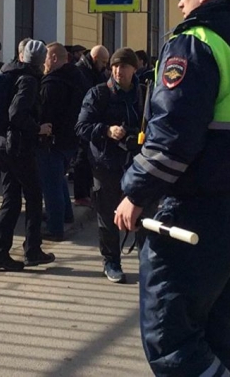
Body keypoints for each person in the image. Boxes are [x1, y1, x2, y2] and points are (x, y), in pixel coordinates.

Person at [114, 0, 230, 377]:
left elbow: (173, 135)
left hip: (192, 211)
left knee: (171, 339)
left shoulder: (196, 41)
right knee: (216, 332)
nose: (181, 3)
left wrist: (135, 192)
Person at [0, 38, 56, 271]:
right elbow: (17, 113)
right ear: (40, 61)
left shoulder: (10, 72)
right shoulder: (28, 80)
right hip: (18, 147)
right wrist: (39, 128)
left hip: (3, 144)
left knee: (11, 199)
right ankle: (32, 249)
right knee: (34, 197)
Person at [76, 47, 143, 283]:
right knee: (107, 216)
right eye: (114, 66)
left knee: (144, 213)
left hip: (138, 164)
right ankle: (111, 262)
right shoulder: (98, 94)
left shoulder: (143, 95)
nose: (117, 71)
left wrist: (136, 136)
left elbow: (156, 125)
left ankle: (148, 263)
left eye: (123, 66)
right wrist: (107, 130)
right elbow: (82, 128)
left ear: (134, 69)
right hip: (105, 164)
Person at [37, 42, 84, 241]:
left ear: (54, 58)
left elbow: (47, 111)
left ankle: (54, 228)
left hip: (54, 138)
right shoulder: (78, 77)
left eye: (45, 58)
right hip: (72, 138)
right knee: (59, 177)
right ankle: (66, 213)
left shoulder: (52, 83)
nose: (43, 62)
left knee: (51, 183)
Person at [71, 44, 110, 206]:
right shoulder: (80, 72)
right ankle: (81, 194)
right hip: (84, 120)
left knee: (90, 157)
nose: (105, 66)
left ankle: (88, 191)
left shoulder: (95, 71)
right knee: (82, 157)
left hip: (94, 119)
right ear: (94, 59)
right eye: (103, 62)